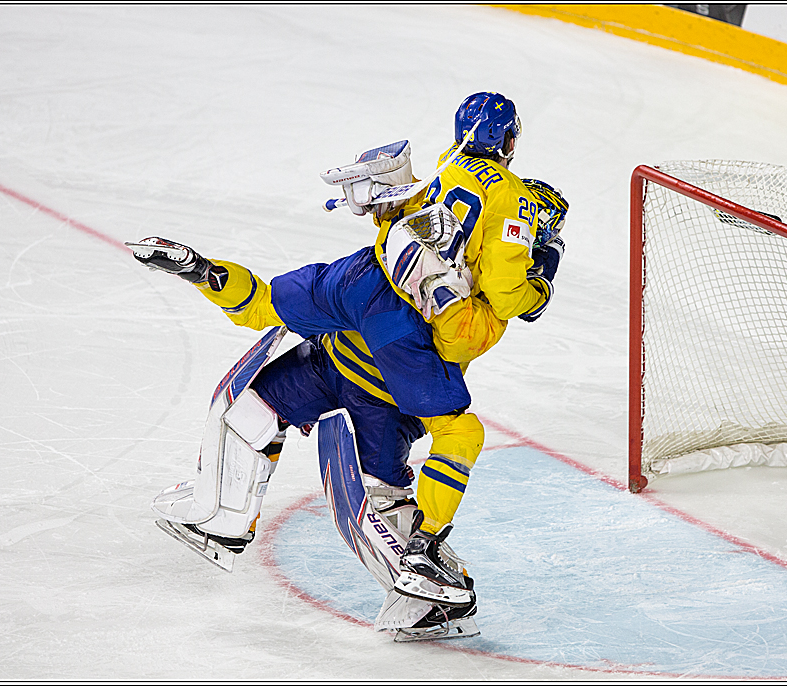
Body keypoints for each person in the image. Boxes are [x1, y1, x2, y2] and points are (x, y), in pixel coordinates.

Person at [132, 92, 566, 635]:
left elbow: (272, 300)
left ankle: (221, 515)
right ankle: (427, 574)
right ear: (509, 140)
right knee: (393, 491)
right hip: (387, 367)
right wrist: (541, 280)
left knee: (252, 403)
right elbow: (505, 299)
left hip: (348, 323)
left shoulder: (441, 174)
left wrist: (202, 270)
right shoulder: (513, 201)